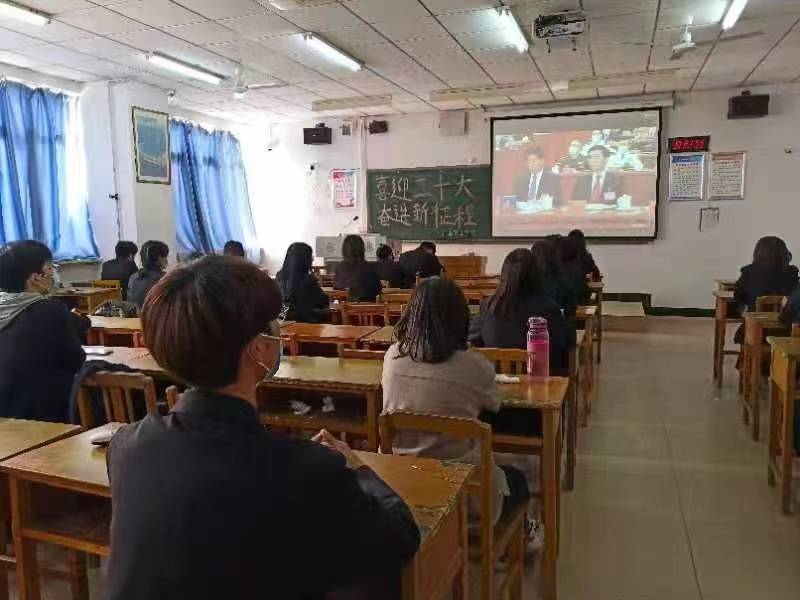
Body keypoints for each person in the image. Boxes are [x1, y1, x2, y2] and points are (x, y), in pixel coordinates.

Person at [106, 256, 420, 600]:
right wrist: (358, 469)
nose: (280, 329)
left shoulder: (126, 447)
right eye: (275, 321)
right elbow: (400, 537)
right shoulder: (306, 471)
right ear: (258, 349)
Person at [382, 276, 531, 529]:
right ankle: (528, 534)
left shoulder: (392, 356)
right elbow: (494, 405)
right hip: (464, 497)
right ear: (460, 317)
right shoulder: (474, 365)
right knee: (517, 479)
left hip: (403, 488)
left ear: (411, 314)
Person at [0, 241, 86, 421]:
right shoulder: (49, 311)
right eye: (50, 268)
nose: (53, 273)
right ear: (35, 278)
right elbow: (75, 359)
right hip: (37, 416)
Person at [470, 249, 575, 376]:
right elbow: (563, 347)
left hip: (497, 381)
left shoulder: (488, 307)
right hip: (540, 382)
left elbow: (471, 343)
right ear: (537, 276)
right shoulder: (549, 309)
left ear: (504, 275)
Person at [734, 236, 799, 343]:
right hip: (786, 331)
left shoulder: (749, 271)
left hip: (756, 330)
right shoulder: (792, 273)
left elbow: (738, 296)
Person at [276, 242, 329, 323]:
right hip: (306, 323)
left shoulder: (279, 277)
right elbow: (323, 300)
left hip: (283, 322)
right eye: (311, 257)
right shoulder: (308, 280)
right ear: (305, 260)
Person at [531, 237, 578, 318]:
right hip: (557, 322)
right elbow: (572, 308)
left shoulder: (527, 280)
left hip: (529, 323)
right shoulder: (563, 280)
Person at [334, 234, 382, 302]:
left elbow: (336, 289)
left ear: (344, 250)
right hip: (368, 307)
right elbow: (378, 289)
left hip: (344, 307)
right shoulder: (369, 267)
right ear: (362, 249)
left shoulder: (339, 268)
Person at [127, 240, 169, 308]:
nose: (167, 260)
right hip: (155, 314)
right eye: (165, 256)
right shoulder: (166, 279)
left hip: (135, 314)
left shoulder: (133, 277)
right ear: (159, 258)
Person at [559, 236, 591, 305]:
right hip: (574, 305)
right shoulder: (578, 270)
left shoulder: (555, 268)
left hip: (558, 306)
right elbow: (586, 293)